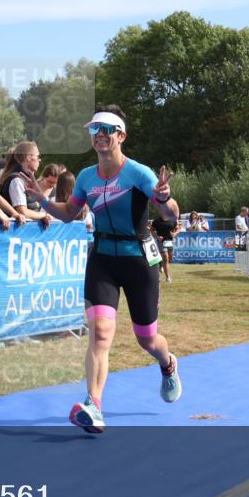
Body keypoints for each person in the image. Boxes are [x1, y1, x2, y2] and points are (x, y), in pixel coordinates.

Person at [19, 105, 179, 434]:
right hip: (103, 257)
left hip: (138, 259)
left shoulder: (139, 173)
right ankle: (94, 405)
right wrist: (43, 201)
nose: (100, 135)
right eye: (94, 130)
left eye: (107, 129)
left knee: (146, 339)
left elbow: (172, 215)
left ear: (121, 136)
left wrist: (164, 198)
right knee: (100, 334)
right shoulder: (87, 176)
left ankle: (167, 363)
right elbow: (69, 213)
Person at [0, 141, 52, 225]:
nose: (39, 160)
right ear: (28, 158)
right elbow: (23, 212)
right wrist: (44, 215)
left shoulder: (22, 179)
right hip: (15, 234)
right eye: (37, 156)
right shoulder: (16, 180)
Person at [150, 201, 180, 284]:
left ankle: (160, 264)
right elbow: (151, 230)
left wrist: (174, 233)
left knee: (170, 258)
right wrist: (156, 237)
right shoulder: (156, 221)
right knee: (166, 258)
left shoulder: (173, 220)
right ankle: (167, 277)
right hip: (161, 242)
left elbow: (178, 228)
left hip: (170, 241)